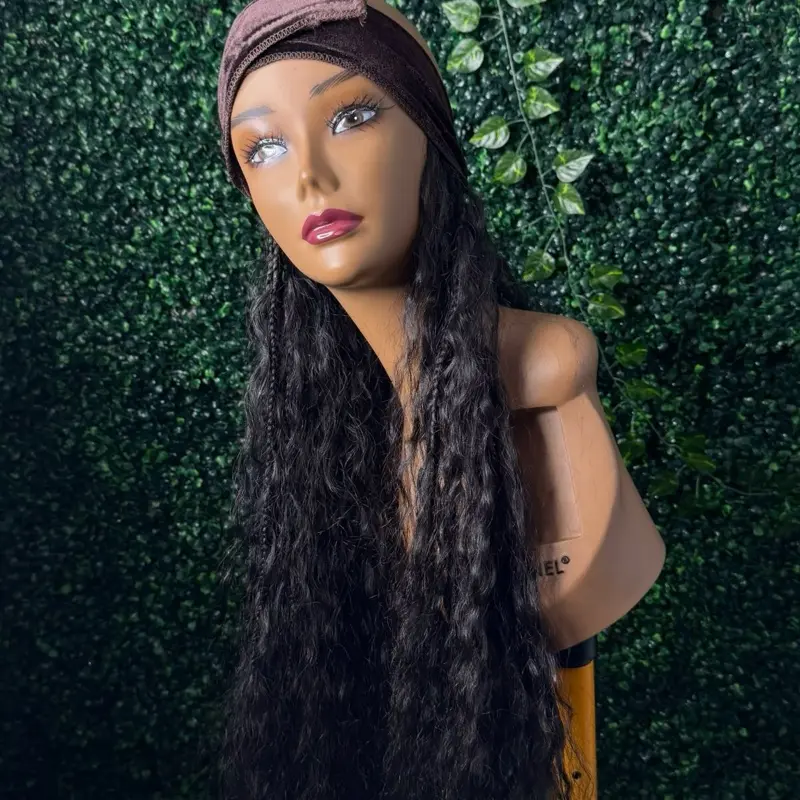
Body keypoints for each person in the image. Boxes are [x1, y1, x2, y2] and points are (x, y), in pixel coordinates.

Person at [214, 1, 665, 798]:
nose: (309, 176)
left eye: (352, 116)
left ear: (428, 138)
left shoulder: (545, 373)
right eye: (266, 147)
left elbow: (578, 585)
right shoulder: (336, 424)